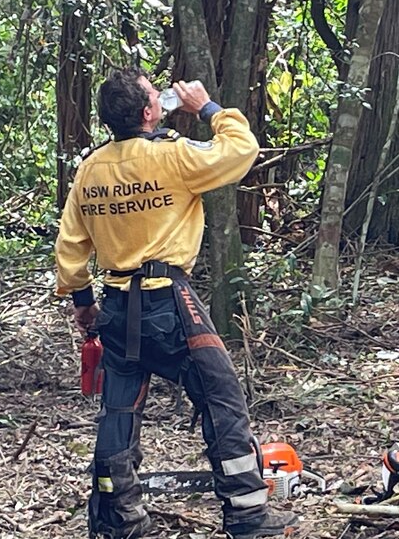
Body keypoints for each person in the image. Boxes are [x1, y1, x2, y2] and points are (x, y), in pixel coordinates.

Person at [55, 67, 298, 539]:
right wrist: (206, 107)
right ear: (150, 111)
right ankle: (248, 515)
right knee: (222, 399)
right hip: (169, 301)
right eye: (155, 98)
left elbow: (70, 248)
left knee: (119, 410)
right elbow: (240, 151)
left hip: (116, 307)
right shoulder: (173, 156)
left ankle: (115, 517)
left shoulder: (91, 168)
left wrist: (84, 304)